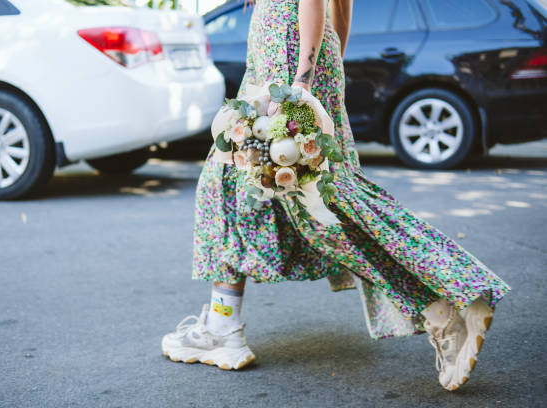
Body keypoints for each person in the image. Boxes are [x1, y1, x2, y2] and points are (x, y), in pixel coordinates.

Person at [161, 0, 510, 391]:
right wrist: (328, 69)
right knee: (237, 182)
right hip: (288, 59)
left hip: (287, 60)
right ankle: (222, 325)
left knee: (323, 204)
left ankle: (445, 302)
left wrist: (303, 84)